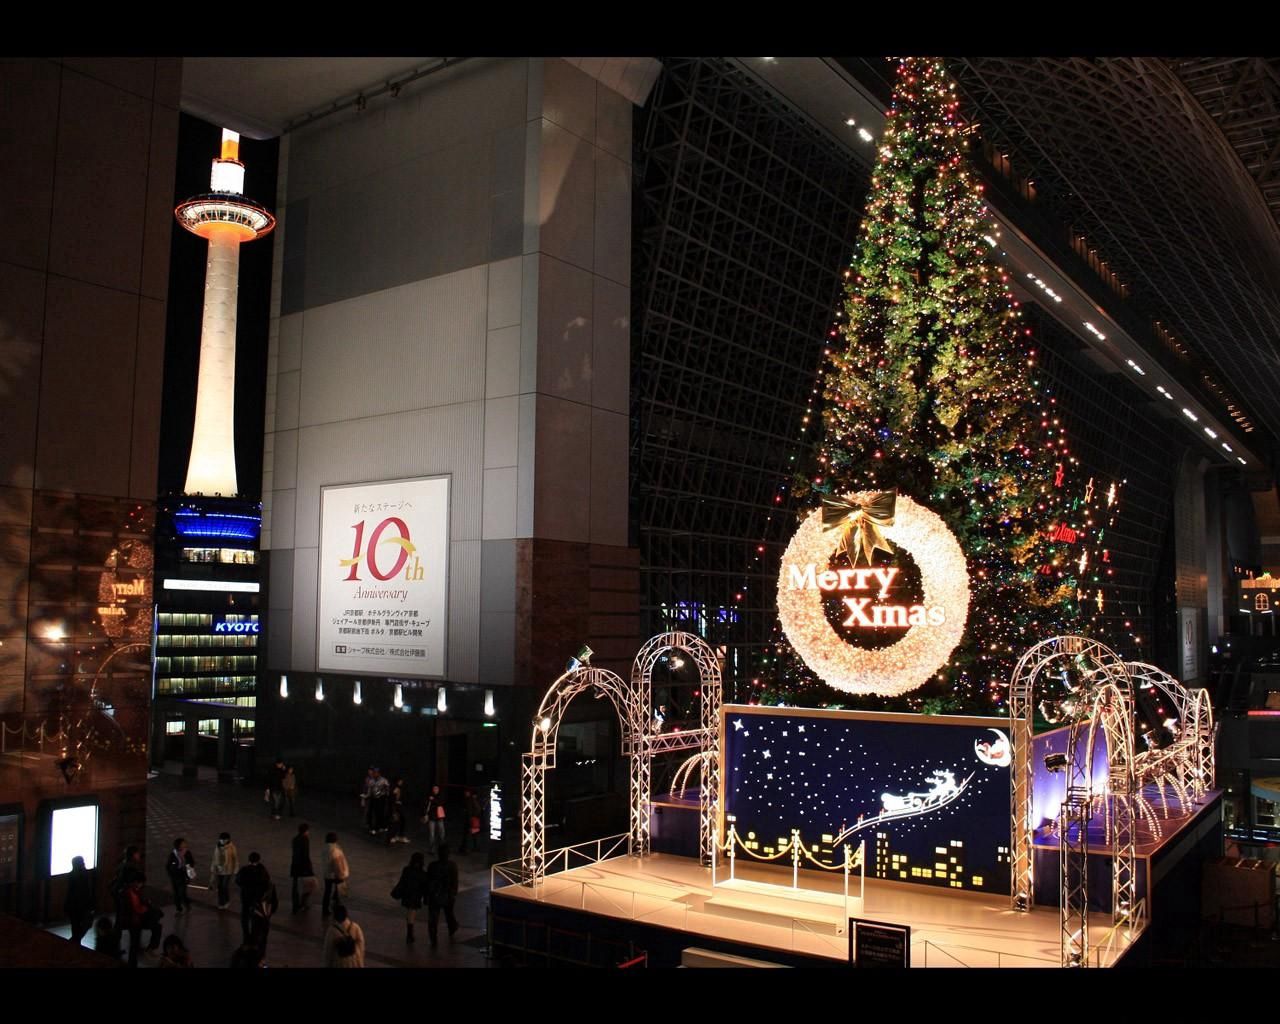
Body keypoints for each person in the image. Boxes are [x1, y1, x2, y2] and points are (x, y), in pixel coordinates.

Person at [121, 878, 162, 967]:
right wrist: (147, 907)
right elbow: (138, 909)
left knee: (134, 944)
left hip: (134, 921)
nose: (141, 886)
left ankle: (133, 963)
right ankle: (134, 961)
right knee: (134, 944)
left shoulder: (130, 892)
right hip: (135, 921)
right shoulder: (132, 893)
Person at [424, 843, 459, 947]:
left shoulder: (432, 866)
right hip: (447, 894)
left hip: (435, 895)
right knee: (449, 914)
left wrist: (427, 895)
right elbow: (455, 881)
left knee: (433, 918)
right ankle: (452, 928)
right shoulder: (452, 865)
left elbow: (428, 881)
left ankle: (433, 939)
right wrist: (453, 893)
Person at [235, 851, 271, 945]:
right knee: (256, 915)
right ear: (258, 860)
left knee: (245, 915)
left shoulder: (244, 870)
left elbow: (238, 881)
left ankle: (246, 934)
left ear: (249, 860)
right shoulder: (262, 870)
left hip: (246, 895)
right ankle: (255, 934)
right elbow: (267, 883)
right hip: (257, 897)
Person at [391, 850, 427, 944]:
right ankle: (410, 933)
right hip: (416, 896)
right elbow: (424, 886)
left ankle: (410, 931)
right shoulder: (422, 873)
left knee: (410, 913)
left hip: (407, 894)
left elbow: (402, 881)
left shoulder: (407, 869)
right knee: (412, 912)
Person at [64, 854, 95, 945]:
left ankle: (75, 942)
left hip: (73, 905)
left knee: (75, 925)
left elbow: (69, 891)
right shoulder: (84, 875)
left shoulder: (71, 875)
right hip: (83, 905)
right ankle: (75, 941)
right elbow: (87, 891)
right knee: (85, 924)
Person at [322, 832, 349, 918]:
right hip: (336, 874)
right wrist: (341, 873)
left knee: (327, 892)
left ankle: (325, 909)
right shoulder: (336, 849)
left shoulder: (325, 848)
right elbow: (337, 863)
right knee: (338, 892)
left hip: (327, 874)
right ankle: (336, 909)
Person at [165, 837, 195, 914]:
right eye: (183, 844)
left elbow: (192, 862)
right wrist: (170, 874)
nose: (185, 845)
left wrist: (189, 866)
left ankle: (186, 903)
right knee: (176, 893)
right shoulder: (173, 854)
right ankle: (178, 908)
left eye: (185, 844)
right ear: (178, 846)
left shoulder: (187, 852)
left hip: (183, 875)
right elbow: (168, 866)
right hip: (175, 876)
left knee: (182, 892)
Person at [210, 832, 238, 910]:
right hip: (219, 870)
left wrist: (235, 871)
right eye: (221, 839)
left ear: (227, 840)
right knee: (220, 887)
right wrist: (213, 868)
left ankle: (226, 901)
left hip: (228, 870)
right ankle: (221, 902)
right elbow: (214, 858)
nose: (221, 841)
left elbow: (235, 859)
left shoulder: (232, 847)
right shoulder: (217, 846)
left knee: (224, 886)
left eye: (223, 839)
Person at [291, 822, 314, 912]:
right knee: (308, 886)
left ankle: (295, 905)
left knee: (296, 886)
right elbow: (305, 855)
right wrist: (309, 868)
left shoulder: (295, 839)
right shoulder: (305, 839)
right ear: (306, 831)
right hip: (303, 866)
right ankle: (303, 903)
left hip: (295, 865)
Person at [423, 784, 446, 853]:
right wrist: (425, 814)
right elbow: (425, 805)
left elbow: (441, 803)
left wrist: (433, 800)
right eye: (434, 789)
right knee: (431, 834)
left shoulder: (440, 796)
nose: (435, 790)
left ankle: (442, 849)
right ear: (432, 789)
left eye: (437, 789)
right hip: (431, 817)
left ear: (438, 790)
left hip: (439, 817)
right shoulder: (429, 796)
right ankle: (432, 849)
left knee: (441, 833)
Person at [460, 789, 483, 853]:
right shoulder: (469, 799)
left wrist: (472, 816)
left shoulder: (471, 800)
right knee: (472, 835)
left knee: (468, 835)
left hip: (470, 820)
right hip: (470, 819)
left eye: (467, 792)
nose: (466, 793)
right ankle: (473, 847)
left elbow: (476, 809)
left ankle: (466, 848)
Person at [388, 778, 408, 844]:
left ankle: (401, 836)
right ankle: (392, 836)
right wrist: (395, 799)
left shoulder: (402, 789)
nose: (401, 782)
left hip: (400, 807)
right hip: (394, 807)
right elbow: (391, 797)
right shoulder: (394, 788)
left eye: (401, 781)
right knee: (395, 821)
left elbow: (403, 798)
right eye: (399, 781)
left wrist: (400, 801)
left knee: (403, 820)